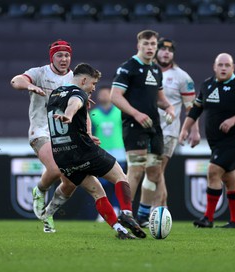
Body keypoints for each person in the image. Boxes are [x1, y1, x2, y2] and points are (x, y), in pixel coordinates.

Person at [43, 62, 146, 239]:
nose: (93, 88)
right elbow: (74, 104)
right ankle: (127, 214)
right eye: (93, 83)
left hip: (63, 156)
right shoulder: (78, 94)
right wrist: (69, 114)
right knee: (121, 177)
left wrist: (86, 131)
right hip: (83, 151)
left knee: (97, 193)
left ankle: (119, 230)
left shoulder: (55, 94)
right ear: (83, 80)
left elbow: (72, 112)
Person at [179, 53, 235, 228]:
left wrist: (234, 119)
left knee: (213, 171)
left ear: (233, 67)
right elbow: (195, 110)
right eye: (220, 65)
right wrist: (185, 129)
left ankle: (207, 218)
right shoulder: (207, 85)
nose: (223, 68)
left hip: (234, 141)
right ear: (214, 67)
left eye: (227, 65)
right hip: (215, 142)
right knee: (230, 180)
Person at [10, 40, 77, 232]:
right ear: (52, 57)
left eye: (67, 55)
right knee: (55, 169)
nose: (64, 59)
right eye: (59, 55)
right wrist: (29, 87)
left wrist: (88, 133)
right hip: (40, 131)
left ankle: (48, 215)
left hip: (65, 135)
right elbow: (16, 81)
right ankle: (39, 190)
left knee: (71, 182)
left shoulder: (74, 78)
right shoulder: (39, 73)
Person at [110, 30, 175, 218]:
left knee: (154, 172)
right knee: (136, 170)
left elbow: (160, 99)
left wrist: (169, 107)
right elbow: (115, 96)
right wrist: (136, 114)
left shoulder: (155, 69)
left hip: (154, 127)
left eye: (153, 44)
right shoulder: (128, 68)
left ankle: (143, 216)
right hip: (133, 126)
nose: (150, 48)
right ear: (138, 45)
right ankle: (125, 215)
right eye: (146, 44)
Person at [137, 38, 201, 227]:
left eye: (170, 50)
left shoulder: (182, 77)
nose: (166, 53)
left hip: (168, 131)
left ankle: (156, 213)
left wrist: (194, 131)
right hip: (146, 129)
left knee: (155, 171)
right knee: (155, 173)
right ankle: (162, 212)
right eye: (162, 49)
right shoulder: (146, 71)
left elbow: (192, 107)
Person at [90, 86, 126, 220]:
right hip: (102, 153)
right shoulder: (93, 114)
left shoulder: (120, 112)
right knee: (102, 184)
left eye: (107, 93)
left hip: (119, 152)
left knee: (118, 183)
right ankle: (106, 211)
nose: (104, 96)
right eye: (102, 93)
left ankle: (119, 209)